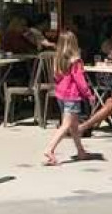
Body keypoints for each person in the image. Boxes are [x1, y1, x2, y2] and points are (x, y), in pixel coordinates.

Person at [42, 31, 99, 166]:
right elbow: (80, 81)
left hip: (60, 94)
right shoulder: (76, 61)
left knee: (73, 125)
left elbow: (56, 77)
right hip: (72, 95)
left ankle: (80, 151)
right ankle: (49, 149)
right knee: (66, 124)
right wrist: (89, 94)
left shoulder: (58, 59)